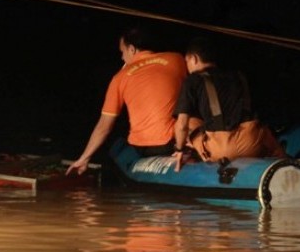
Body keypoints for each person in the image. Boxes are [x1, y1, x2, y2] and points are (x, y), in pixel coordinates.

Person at [66, 26, 187, 176]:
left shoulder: (119, 78)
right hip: (173, 143)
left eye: (122, 52)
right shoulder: (176, 59)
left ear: (131, 49)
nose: (122, 57)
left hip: (142, 147)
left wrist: (84, 158)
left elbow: (104, 125)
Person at [172, 36, 285, 171]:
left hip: (224, 149)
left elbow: (182, 125)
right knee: (265, 134)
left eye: (187, 61)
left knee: (189, 122)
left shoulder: (192, 81)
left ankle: (195, 156)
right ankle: (287, 163)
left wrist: (179, 149)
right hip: (252, 142)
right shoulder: (239, 75)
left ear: (194, 58)